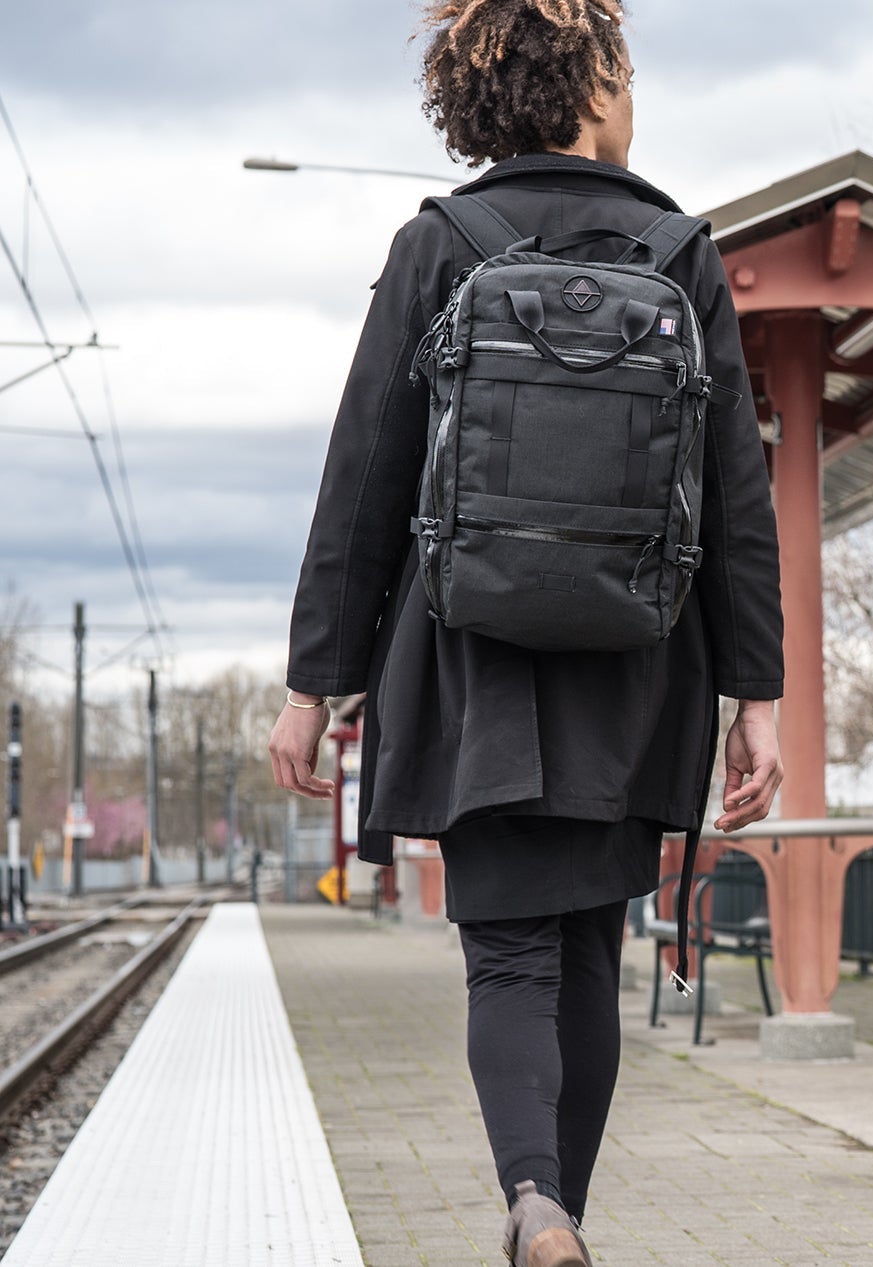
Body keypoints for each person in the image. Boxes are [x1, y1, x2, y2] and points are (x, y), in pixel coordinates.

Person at [267, 2, 785, 1262]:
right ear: (594, 84)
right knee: (590, 957)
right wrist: (754, 697)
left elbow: (366, 478)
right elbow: (736, 496)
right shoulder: (680, 252)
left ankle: (531, 1202)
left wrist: (314, 685)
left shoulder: (441, 244)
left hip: (471, 658)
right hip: (638, 664)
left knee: (506, 958)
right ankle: (563, 1217)